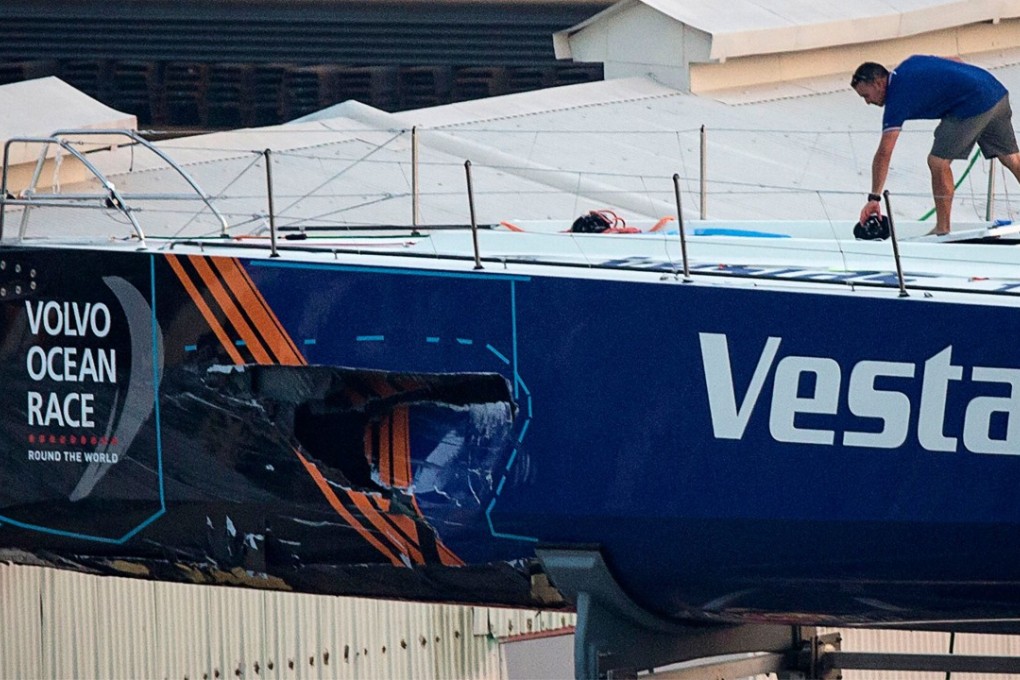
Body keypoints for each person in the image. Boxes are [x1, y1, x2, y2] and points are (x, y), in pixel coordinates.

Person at [852, 55, 1020, 235]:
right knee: (1011, 158)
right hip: (994, 90)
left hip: (973, 103)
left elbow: (884, 153)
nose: (867, 102)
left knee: (938, 162)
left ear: (878, 83)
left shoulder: (897, 98)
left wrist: (874, 198)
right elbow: (956, 60)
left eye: (866, 95)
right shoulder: (909, 63)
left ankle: (942, 229)